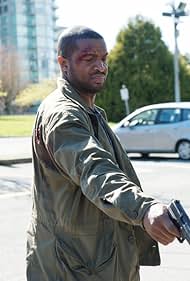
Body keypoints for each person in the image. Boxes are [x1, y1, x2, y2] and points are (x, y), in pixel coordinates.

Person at [26, 26, 179, 281]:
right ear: (63, 64)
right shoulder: (63, 115)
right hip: (71, 267)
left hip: (95, 262)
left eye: (104, 58)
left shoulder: (88, 109)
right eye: (89, 59)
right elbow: (94, 169)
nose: (101, 66)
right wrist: (144, 210)